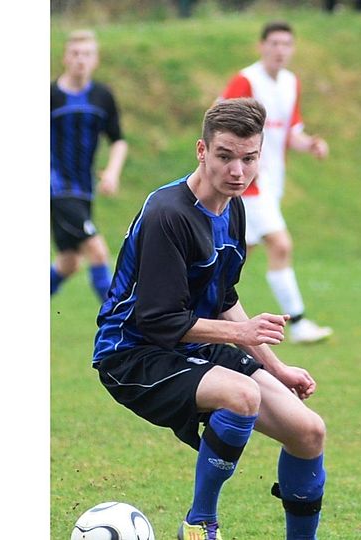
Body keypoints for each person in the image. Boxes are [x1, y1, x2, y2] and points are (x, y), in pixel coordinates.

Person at [92, 98, 327, 540]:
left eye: (249, 158)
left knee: (309, 431)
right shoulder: (168, 213)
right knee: (241, 395)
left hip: (190, 346)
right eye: (225, 156)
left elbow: (223, 299)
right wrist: (241, 333)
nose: (237, 171)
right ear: (202, 150)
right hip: (132, 354)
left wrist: (277, 367)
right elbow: (160, 321)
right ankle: (200, 525)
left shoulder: (232, 207)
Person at [219, 21, 333, 345]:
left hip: (272, 183)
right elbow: (219, 120)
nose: (280, 50)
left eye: (286, 44)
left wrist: (309, 144)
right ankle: (298, 322)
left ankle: (203, 311)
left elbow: (290, 132)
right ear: (261, 46)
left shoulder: (290, 83)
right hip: (248, 182)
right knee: (281, 245)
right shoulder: (247, 80)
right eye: (274, 43)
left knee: (239, 254)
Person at [51, 29, 128, 302]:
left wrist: (112, 172)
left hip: (85, 189)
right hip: (57, 188)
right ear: (65, 58)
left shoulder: (102, 96)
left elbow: (118, 140)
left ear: (95, 60)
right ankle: (118, 321)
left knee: (68, 262)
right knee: (97, 251)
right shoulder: (51, 96)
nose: (80, 60)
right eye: (75, 54)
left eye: (86, 54)